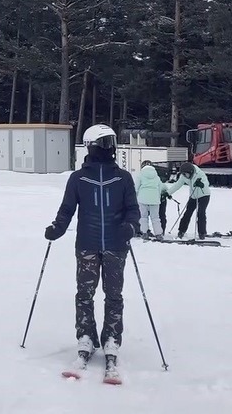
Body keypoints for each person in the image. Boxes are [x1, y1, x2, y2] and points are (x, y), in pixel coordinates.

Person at [45, 123, 139, 377]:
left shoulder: (123, 177)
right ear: (91, 146)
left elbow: (133, 209)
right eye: (104, 143)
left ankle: (111, 339)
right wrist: (57, 228)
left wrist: (130, 226)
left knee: (113, 295)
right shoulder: (78, 178)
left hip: (115, 246)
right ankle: (86, 336)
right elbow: (67, 210)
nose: (109, 148)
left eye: (110, 142)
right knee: (84, 294)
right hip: (87, 244)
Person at [169, 161, 211, 239]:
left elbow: (206, 183)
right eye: (183, 174)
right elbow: (177, 185)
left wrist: (201, 184)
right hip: (193, 196)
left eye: (186, 174)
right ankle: (181, 231)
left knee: (201, 213)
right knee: (187, 213)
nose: (184, 176)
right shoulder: (183, 176)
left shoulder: (199, 174)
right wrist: (168, 193)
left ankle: (202, 233)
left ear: (191, 172)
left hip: (204, 195)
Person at [133, 160, 164, 238]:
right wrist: (157, 196)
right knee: (155, 217)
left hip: (142, 199)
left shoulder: (140, 175)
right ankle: (158, 234)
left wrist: (134, 197)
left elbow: (136, 188)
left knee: (143, 217)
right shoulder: (157, 176)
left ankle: (144, 233)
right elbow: (160, 187)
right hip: (154, 199)